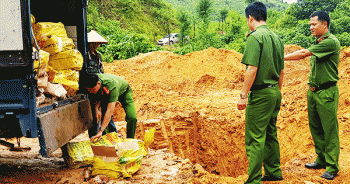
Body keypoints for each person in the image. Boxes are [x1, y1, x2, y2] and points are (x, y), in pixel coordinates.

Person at [284, 11, 340, 180]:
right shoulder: (320, 42)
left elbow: (303, 54)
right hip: (314, 92)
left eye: (314, 24)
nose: (311, 27)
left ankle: (332, 166)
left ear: (325, 24)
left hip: (327, 92)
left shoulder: (330, 42)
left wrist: (279, 57)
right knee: (316, 128)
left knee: (329, 130)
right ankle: (321, 159)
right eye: (310, 24)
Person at [237, 2, 285, 183]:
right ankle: (273, 171)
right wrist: (277, 92)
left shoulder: (255, 38)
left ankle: (254, 179)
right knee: (270, 132)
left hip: (260, 94)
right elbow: (281, 71)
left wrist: (243, 95)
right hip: (274, 91)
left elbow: (252, 69)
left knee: (255, 137)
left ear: (250, 17)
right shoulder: (277, 38)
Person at [83, 73, 138, 142]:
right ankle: (107, 140)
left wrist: (101, 130)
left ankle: (130, 141)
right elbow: (96, 97)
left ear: (99, 84)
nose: (90, 92)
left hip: (124, 93)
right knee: (102, 116)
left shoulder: (111, 85)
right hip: (106, 94)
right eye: (89, 90)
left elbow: (110, 110)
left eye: (92, 90)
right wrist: (97, 108)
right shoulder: (93, 80)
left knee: (132, 117)